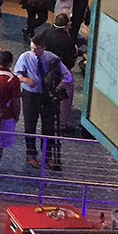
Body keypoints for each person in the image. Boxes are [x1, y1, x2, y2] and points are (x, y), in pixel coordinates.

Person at [14, 34, 73, 169]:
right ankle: (31, 155)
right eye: (32, 48)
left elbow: (67, 76)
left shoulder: (51, 58)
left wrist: (58, 87)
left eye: (37, 49)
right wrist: (26, 80)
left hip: (47, 96)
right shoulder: (25, 57)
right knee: (30, 125)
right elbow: (17, 74)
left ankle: (47, 156)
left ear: (44, 48)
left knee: (48, 127)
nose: (34, 52)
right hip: (30, 95)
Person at [42, 14, 78, 130]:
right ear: (67, 25)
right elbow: (72, 57)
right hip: (61, 72)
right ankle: (62, 123)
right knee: (66, 94)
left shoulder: (46, 33)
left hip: (45, 70)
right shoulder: (68, 40)